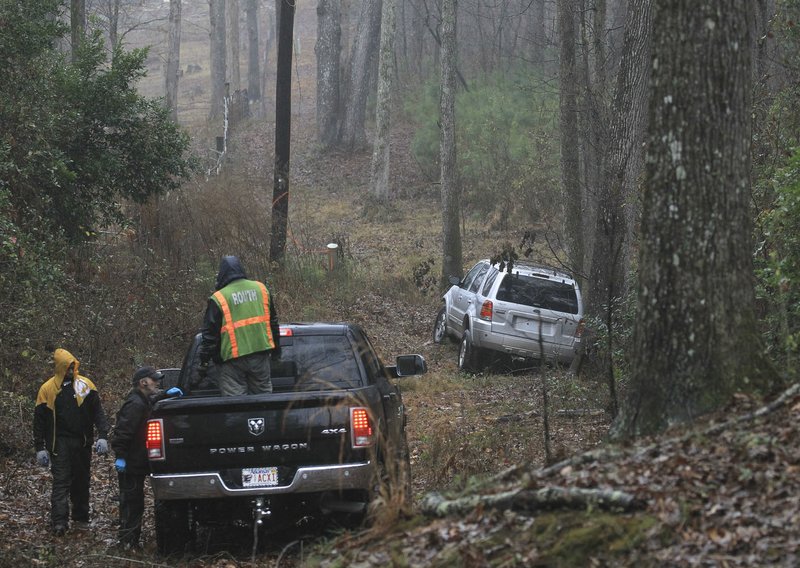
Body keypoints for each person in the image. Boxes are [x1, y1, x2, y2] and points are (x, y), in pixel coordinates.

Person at [33, 348, 110, 536]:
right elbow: (39, 421)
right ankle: (59, 522)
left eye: (72, 367)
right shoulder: (48, 389)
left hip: (82, 442)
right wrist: (40, 448)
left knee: (81, 481)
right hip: (59, 443)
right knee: (61, 482)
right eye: (67, 367)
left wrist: (103, 435)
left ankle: (81, 518)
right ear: (60, 367)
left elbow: (97, 412)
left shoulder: (85, 386)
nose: (70, 371)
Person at [111, 366, 182, 550]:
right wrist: (121, 457)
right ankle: (127, 542)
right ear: (143, 382)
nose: (157, 382)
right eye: (154, 380)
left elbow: (153, 399)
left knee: (135, 503)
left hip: (137, 462)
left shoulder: (142, 400)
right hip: (130, 464)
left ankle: (130, 541)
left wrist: (166, 394)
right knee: (131, 504)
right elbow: (122, 433)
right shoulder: (135, 404)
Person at [197, 255, 281, 396]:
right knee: (263, 400)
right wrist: (277, 352)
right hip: (260, 356)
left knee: (236, 405)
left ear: (222, 273)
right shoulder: (261, 289)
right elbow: (273, 323)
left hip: (232, 362)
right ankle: (263, 418)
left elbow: (210, 335)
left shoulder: (219, 298)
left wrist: (204, 363)